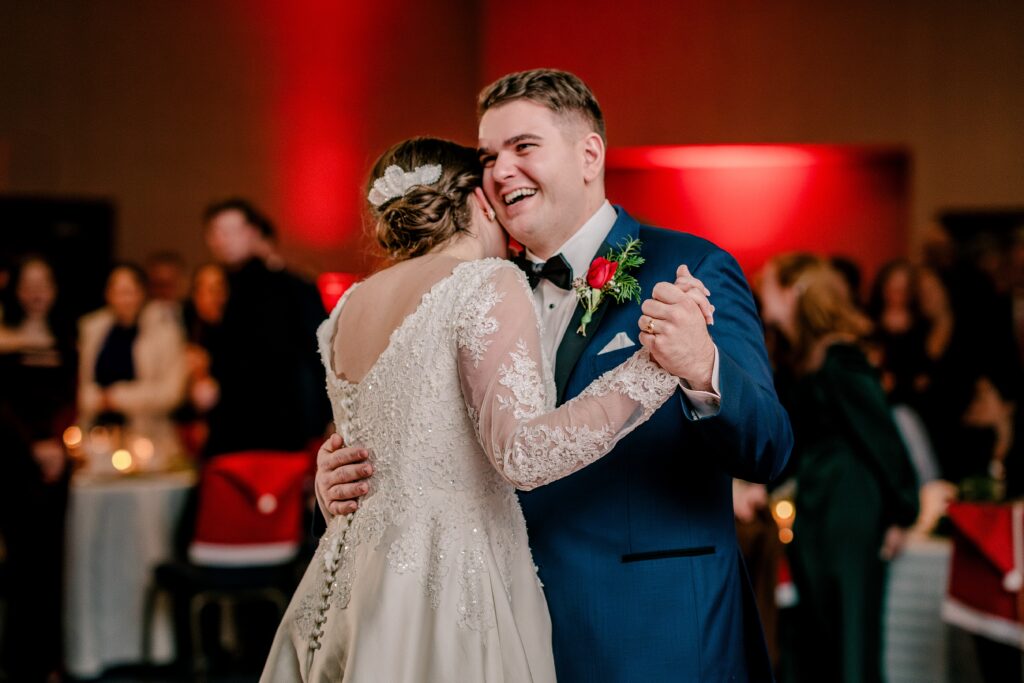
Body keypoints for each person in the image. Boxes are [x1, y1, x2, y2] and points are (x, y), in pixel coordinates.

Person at [316, 69, 793, 681]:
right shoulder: (465, 289)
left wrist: (702, 368)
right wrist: (340, 480)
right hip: (494, 629)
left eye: (524, 147)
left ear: (589, 153)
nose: (501, 170)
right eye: (489, 156)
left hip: (651, 629)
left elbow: (770, 448)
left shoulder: (690, 265)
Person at [260, 136, 709, 681]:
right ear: (478, 201)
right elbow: (523, 455)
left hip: (354, 578)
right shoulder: (485, 281)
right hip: (451, 577)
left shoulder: (347, 306)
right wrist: (657, 364)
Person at [757, 253, 918, 683]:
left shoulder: (840, 359)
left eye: (768, 284)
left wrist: (903, 510)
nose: (760, 291)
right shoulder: (799, 359)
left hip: (849, 505)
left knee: (850, 626)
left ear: (793, 293)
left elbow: (882, 437)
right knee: (819, 627)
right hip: (817, 504)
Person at [201, 198, 330, 457]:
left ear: (252, 233)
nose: (221, 240)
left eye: (229, 231)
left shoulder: (290, 288)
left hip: (274, 424)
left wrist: (323, 416)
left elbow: (318, 353)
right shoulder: (215, 287)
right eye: (215, 232)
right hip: (235, 425)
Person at [0, 256, 77, 682]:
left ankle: (50, 661)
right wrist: (33, 446)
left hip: (56, 463)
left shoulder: (65, 338)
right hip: (14, 462)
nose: (36, 292)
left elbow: (71, 398)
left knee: (53, 563)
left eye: (44, 282)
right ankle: (17, 663)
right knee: (21, 564)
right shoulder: (4, 334)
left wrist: (57, 442)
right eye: (28, 283)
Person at [78, 264, 187, 464]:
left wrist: (117, 397)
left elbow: (171, 392)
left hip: (147, 436)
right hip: (100, 437)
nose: (123, 299)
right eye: (117, 291)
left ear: (142, 293)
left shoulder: (164, 332)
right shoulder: (94, 329)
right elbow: (83, 384)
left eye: (129, 292)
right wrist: (95, 399)